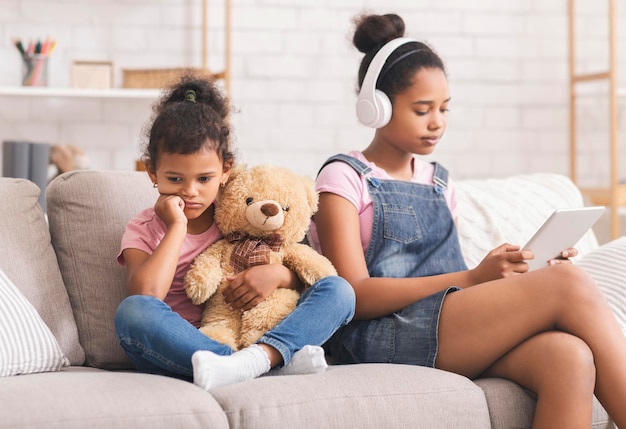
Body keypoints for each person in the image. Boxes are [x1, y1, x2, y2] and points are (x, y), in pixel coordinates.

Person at [310, 12, 626, 428]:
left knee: (569, 357)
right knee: (569, 284)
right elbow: (356, 295)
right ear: (377, 108)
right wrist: (474, 278)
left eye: (443, 108)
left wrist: (515, 273)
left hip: (446, 322)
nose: (437, 122)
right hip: (379, 334)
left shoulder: (440, 183)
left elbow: (457, 285)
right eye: (422, 110)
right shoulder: (343, 178)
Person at [114, 71, 355, 391]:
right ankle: (258, 362)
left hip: (250, 336)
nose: (190, 191)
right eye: (175, 179)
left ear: (225, 171)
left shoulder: (237, 214)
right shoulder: (143, 228)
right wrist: (176, 227)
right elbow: (145, 295)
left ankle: (255, 359)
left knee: (340, 291)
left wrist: (280, 276)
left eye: (204, 179)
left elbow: (293, 261)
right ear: (152, 172)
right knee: (132, 313)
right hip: (183, 351)